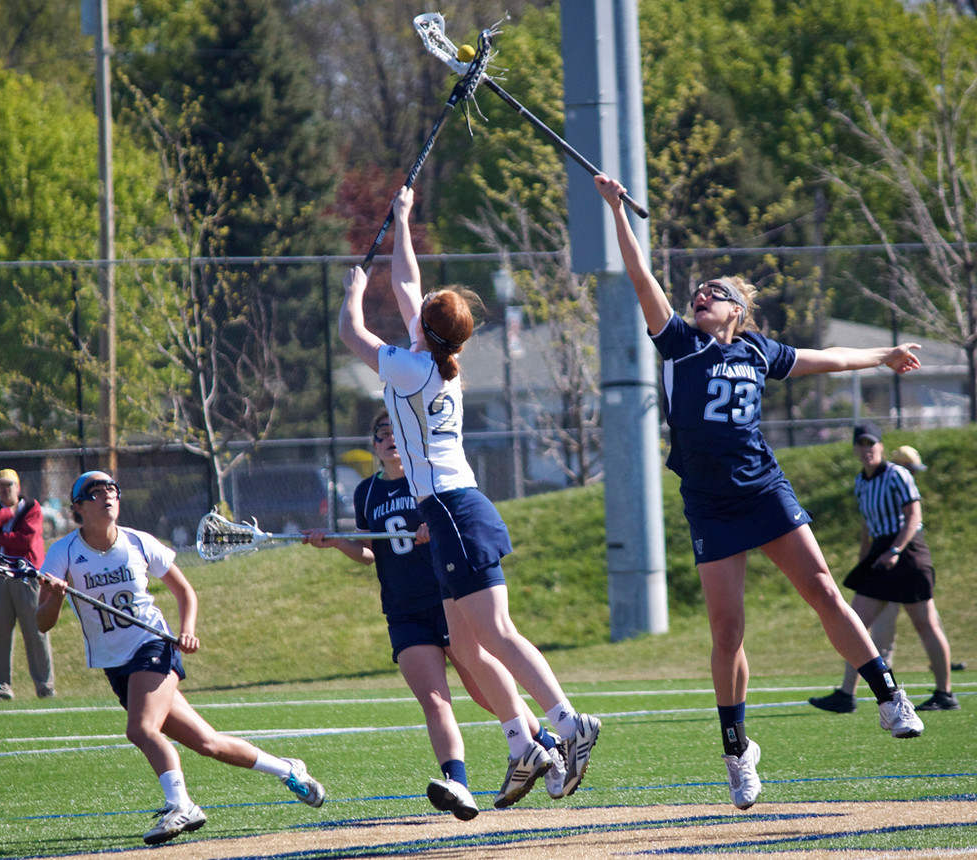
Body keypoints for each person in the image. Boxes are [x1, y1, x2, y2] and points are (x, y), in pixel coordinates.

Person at [594, 174, 924, 812]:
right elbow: (640, 278)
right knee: (727, 632)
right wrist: (617, 211)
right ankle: (737, 753)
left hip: (763, 488)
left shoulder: (757, 350)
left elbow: (825, 356)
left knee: (825, 589)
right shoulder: (680, 344)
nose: (700, 297)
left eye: (713, 294)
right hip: (711, 504)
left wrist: (883, 353)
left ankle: (889, 696)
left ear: (737, 312)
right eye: (698, 293)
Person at [338, 186, 600, 810]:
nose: (415, 305)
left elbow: (352, 334)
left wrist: (351, 287)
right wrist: (401, 220)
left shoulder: (413, 368)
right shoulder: (438, 358)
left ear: (425, 331)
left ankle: (568, 724)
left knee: (498, 633)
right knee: (470, 638)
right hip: (454, 509)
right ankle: (522, 744)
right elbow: (409, 287)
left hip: (454, 510)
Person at [36, 470, 325, 846]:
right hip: (115, 664)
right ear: (77, 507)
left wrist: (187, 629)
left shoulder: (139, 543)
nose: (106, 495)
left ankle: (182, 805)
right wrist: (57, 594)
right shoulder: (63, 553)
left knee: (140, 730)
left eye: (112, 489)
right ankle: (289, 770)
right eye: (94, 492)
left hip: (152, 646)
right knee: (208, 742)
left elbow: (185, 592)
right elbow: (43, 622)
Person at [303, 410, 566, 820]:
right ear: (374, 445)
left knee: (482, 691)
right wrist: (337, 542)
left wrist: (433, 529)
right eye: (382, 434)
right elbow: (372, 552)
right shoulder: (366, 492)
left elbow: (454, 526)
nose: (390, 439)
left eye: (397, 432)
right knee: (433, 699)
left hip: (448, 600)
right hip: (404, 609)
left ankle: (547, 746)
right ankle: (458, 784)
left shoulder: (430, 485)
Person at [809, 426, 959, 714]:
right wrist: (864, 559)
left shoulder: (897, 474)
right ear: (855, 449)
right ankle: (846, 694)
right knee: (853, 622)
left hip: (907, 549)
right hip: (880, 552)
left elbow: (914, 515)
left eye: (871, 444)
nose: (866, 449)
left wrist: (895, 551)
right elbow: (867, 524)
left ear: (880, 446)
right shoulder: (861, 482)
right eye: (861, 444)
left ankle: (945, 693)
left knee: (926, 623)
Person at [0, 468, 55, 700]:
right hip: (0, 577)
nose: (5, 490)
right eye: (1, 486)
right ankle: (1, 689)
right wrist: (6, 514)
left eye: (9, 485)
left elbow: (25, 541)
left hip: (27, 578)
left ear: (18, 487)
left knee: (36, 632)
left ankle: (45, 687)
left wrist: (0, 538)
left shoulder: (31, 507)